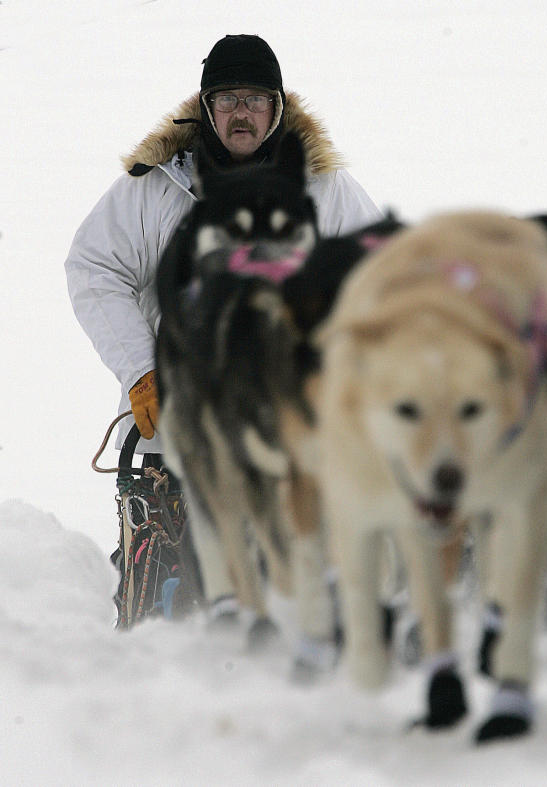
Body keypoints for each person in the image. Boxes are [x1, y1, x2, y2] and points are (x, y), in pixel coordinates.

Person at [65, 34, 383, 617]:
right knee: (170, 613)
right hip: (175, 432)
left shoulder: (324, 188)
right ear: (206, 109)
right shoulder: (155, 185)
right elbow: (92, 268)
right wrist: (141, 372)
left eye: (256, 98)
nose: (242, 112)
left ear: (278, 107)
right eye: (227, 98)